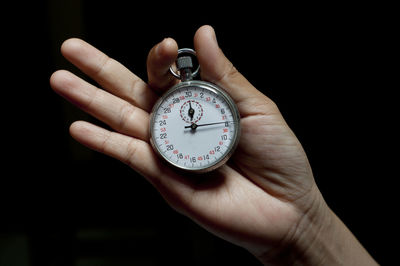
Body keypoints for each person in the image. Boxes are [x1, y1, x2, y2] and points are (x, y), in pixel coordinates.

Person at [50, 25, 378, 265]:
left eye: (197, 121)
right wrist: (303, 232)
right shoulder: (175, 114)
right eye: (188, 122)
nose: (192, 124)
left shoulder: (220, 114)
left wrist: (303, 228)